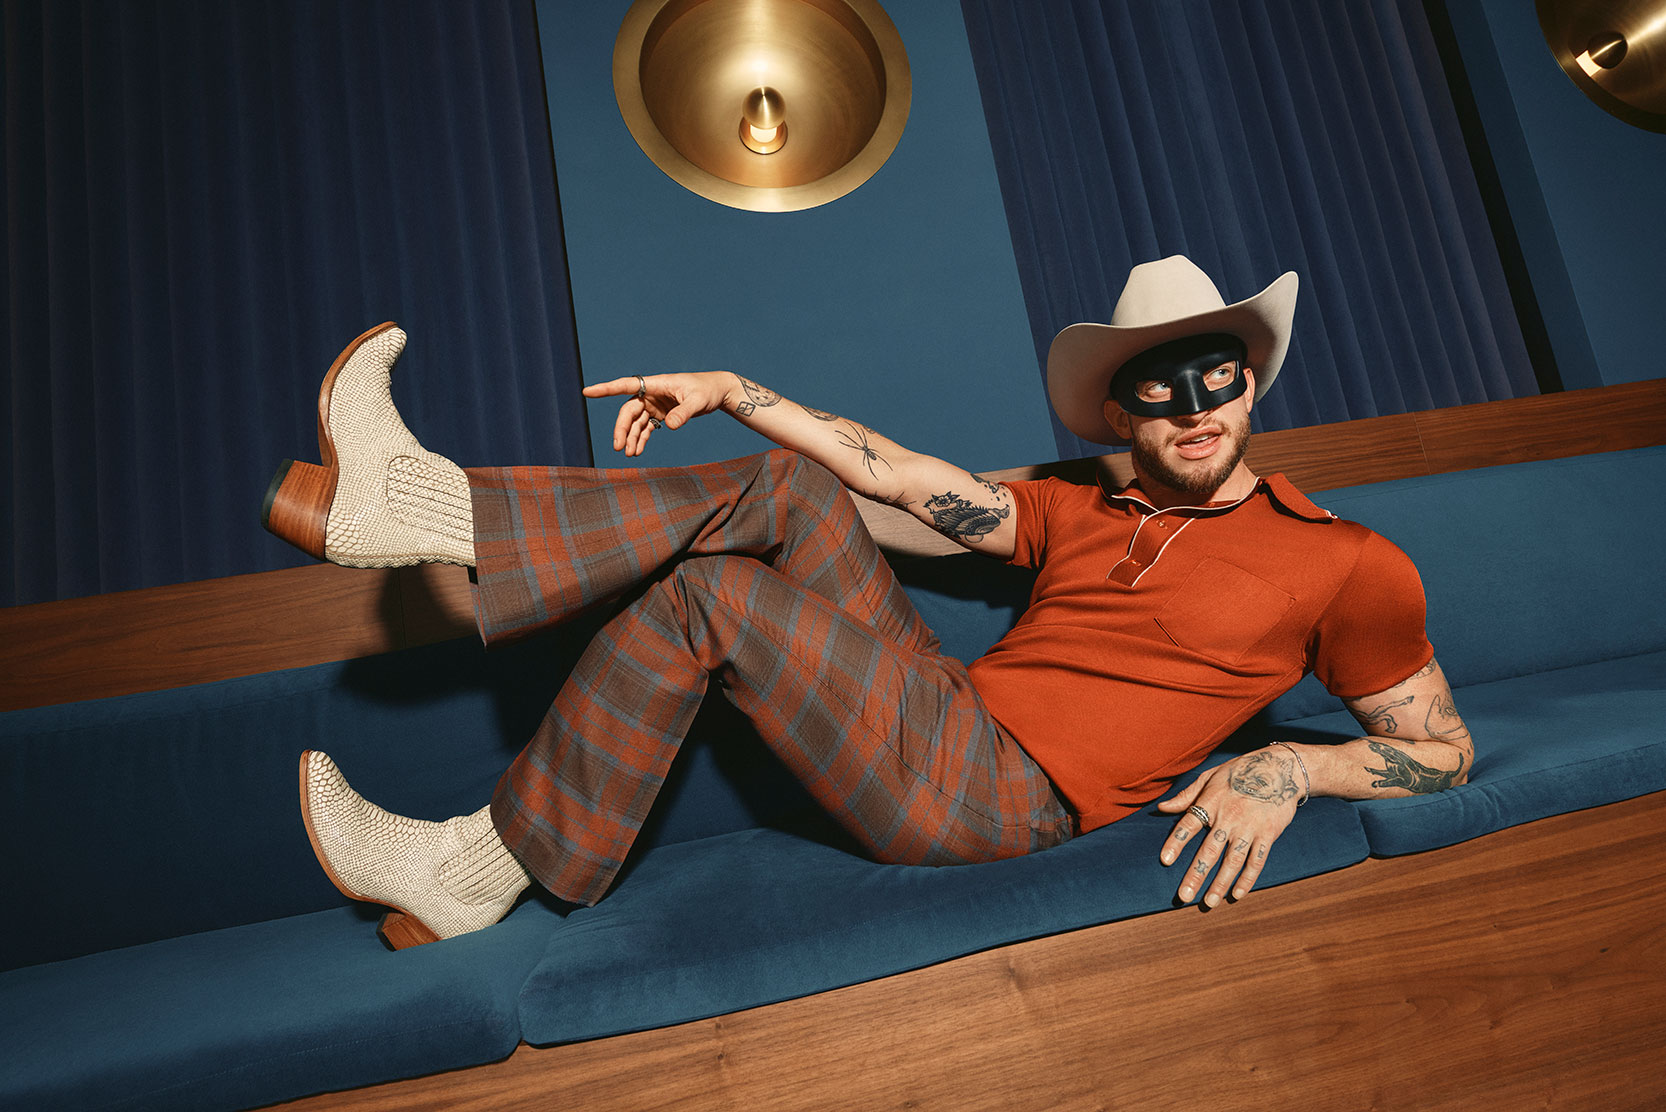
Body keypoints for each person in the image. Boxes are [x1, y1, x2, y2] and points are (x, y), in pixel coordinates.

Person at [265, 255, 1472, 949]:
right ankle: (428, 519)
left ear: (1250, 382)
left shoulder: (1344, 558)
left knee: (711, 600)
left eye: (1218, 377)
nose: (1195, 407)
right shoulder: (1083, 501)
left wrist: (1294, 770)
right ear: (1121, 414)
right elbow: (897, 480)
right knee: (791, 483)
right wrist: (733, 388)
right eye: (1161, 388)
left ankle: (475, 841)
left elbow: (1443, 750)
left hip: (997, 798)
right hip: (938, 711)